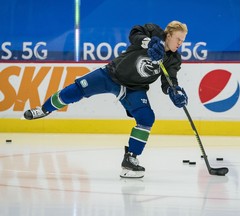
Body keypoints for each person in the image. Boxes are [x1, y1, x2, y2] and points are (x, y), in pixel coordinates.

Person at [23, 20, 188, 178]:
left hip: (134, 89)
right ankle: (43, 109)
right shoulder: (154, 32)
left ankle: (130, 158)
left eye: (183, 40)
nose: (180, 43)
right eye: (178, 39)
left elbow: (169, 80)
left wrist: (173, 91)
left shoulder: (173, 59)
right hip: (111, 74)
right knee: (76, 90)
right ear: (168, 35)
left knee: (146, 118)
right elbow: (134, 33)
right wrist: (148, 42)